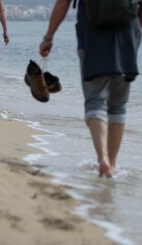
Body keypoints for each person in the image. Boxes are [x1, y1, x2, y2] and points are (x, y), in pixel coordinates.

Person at [39, 0, 141, 178]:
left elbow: (63, 3)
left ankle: (103, 159)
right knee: (118, 105)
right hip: (127, 34)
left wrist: (48, 37)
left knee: (95, 100)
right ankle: (113, 164)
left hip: (91, 35)